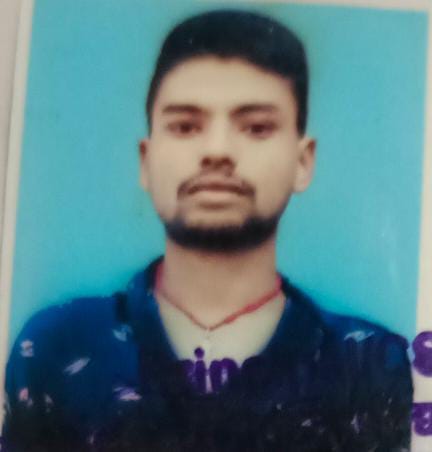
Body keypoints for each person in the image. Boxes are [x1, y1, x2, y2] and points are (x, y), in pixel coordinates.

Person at [1, 9, 412, 452]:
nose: (217, 150)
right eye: (185, 126)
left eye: (256, 127)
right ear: (146, 160)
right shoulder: (56, 350)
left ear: (302, 161)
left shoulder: (366, 366)